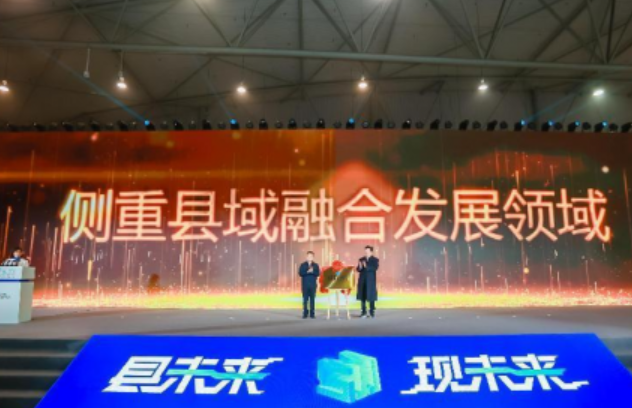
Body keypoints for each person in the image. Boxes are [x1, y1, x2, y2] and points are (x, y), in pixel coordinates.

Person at [356, 245, 379, 318]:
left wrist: (366, 266)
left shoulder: (375, 260)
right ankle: (363, 312)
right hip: (362, 280)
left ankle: (372, 312)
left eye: (368, 251)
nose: (366, 252)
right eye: (365, 251)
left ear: (371, 252)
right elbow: (358, 269)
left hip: (370, 281)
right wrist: (360, 267)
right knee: (362, 296)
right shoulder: (361, 259)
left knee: (371, 296)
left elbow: (375, 268)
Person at [298, 251, 320, 319]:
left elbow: (318, 273)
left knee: (312, 300)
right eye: (308, 256)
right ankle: (305, 313)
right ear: (306, 257)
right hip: (305, 285)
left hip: (313, 285)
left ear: (313, 257)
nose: (309, 257)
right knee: (305, 300)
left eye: (311, 256)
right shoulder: (303, 265)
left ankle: (312, 313)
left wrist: (312, 271)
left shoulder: (315, 265)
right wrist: (307, 271)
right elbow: (300, 273)